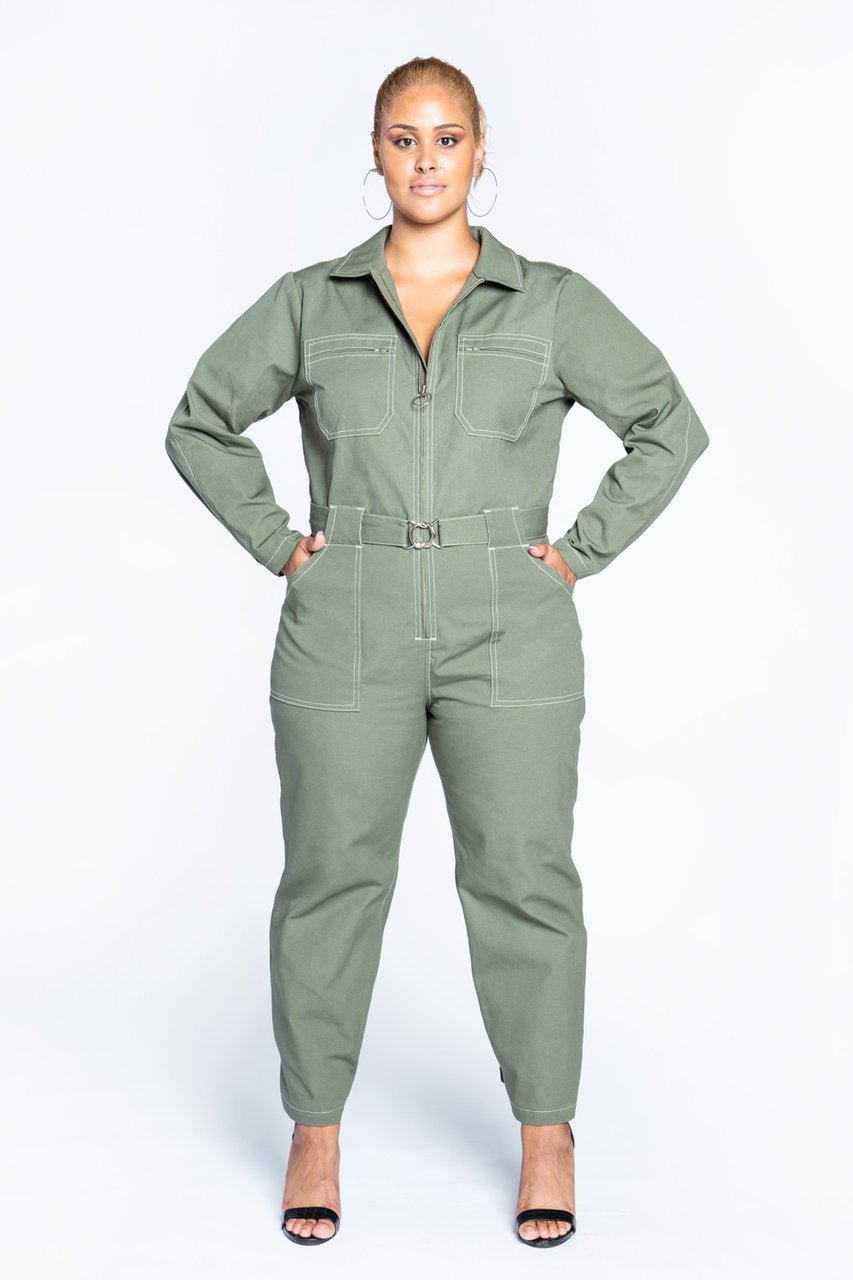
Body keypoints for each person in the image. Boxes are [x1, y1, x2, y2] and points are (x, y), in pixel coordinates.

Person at [164, 55, 710, 1250]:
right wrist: (281, 544)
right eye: (402, 137)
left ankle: (547, 1132)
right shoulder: (311, 301)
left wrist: (576, 552)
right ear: (375, 153)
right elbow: (199, 419)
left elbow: (669, 425)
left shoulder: (550, 303)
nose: (424, 159)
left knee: (523, 877)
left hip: (508, 624)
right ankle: (315, 1125)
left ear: (478, 148)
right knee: (329, 876)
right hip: (344, 622)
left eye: (445, 137)